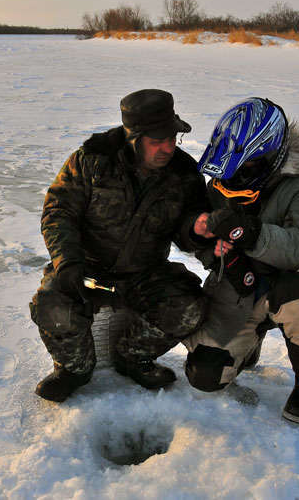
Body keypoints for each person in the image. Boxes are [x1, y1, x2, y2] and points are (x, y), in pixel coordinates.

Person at [29, 88, 213, 402]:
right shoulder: (92, 160)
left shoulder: (184, 174)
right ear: (134, 138)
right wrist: (68, 262)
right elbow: (59, 211)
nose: (167, 148)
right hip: (89, 270)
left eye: (172, 138)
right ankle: (74, 369)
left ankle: (133, 357)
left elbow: (186, 230)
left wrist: (196, 229)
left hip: (145, 273)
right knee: (51, 304)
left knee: (189, 307)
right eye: (157, 141)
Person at [186, 97, 299, 425]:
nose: (228, 180)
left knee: (298, 291)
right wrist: (208, 245)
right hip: (239, 289)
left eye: (240, 170)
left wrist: (251, 233)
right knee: (204, 376)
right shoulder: (220, 180)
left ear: (264, 158)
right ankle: (249, 343)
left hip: (289, 281)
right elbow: (201, 236)